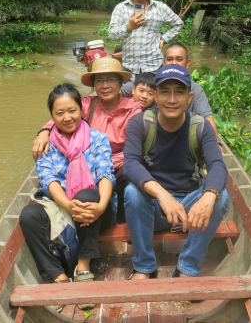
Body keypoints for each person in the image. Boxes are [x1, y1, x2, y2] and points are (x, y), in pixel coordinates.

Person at [123, 65, 230, 279]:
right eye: (165, 92)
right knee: (132, 193)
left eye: (179, 92)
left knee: (221, 196)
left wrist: (208, 197)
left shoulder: (201, 127)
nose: (172, 99)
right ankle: (144, 266)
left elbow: (217, 165)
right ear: (156, 95)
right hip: (154, 209)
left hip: (189, 211)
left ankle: (187, 267)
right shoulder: (140, 123)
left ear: (190, 97)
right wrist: (162, 195)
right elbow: (130, 164)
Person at [19, 84, 115, 309]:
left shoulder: (98, 139)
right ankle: (57, 276)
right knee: (28, 214)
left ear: (81, 109)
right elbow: (49, 180)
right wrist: (68, 205)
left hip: (96, 210)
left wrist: (101, 205)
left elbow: (105, 175)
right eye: (59, 113)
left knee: (87, 194)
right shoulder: (45, 144)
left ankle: (83, 265)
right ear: (51, 117)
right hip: (62, 206)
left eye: (71, 110)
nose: (67, 117)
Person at [32, 57, 141, 216]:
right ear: (94, 85)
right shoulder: (87, 104)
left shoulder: (132, 110)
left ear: (119, 83)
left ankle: (122, 216)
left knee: (130, 170)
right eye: (99, 81)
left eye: (110, 80)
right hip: (88, 163)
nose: (105, 85)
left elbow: (133, 148)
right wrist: (44, 132)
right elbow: (63, 115)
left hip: (118, 164)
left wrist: (105, 163)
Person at [107, 0, 184, 97]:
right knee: (120, 98)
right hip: (129, 69)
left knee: (155, 104)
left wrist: (163, 39)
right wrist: (128, 27)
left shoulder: (160, 8)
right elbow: (111, 34)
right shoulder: (121, 8)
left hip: (154, 68)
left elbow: (178, 24)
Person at [163, 42, 219, 137]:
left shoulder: (196, 89)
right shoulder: (155, 85)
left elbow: (208, 118)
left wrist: (217, 143)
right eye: (169, 59)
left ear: (187, 63)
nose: (174, 64)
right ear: (164, 62)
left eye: (179, 59)